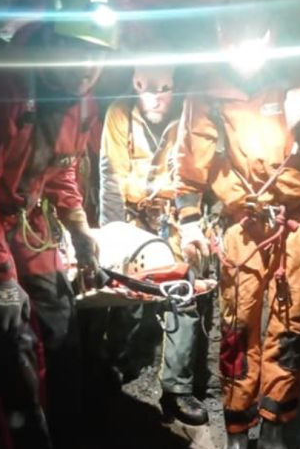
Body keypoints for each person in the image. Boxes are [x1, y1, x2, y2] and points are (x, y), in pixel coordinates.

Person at [0, 0, 117, 449]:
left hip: (24, 224)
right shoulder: (5, 90)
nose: (87, 66)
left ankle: (68, 434)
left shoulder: (81, 102)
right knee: (11, 338)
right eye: (76, 50)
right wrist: (0, 280)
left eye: (97, 54)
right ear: (50, 41)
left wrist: (80, 229)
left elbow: (61, 168)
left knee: (62, 321)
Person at [174, 10, 300, 449]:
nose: (247, 51)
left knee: (290, 328)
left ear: (272, 35)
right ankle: (238, 428)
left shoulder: (298, 78)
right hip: (243, 226)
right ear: (221, 37)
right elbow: (190, 164)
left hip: (297, 225)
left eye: (256, 38)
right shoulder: (209, 92)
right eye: (236, 40)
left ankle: (275, 426)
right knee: (236, 328)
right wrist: (189, 221)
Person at [99, 65, 209, 425]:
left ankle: (176, 390)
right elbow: (111, 175)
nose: (157, 97)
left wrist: (190, 223)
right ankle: (111, 366)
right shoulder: (120, 113)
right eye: (148, 88)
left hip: (171, 219)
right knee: (123, 295)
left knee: (183, 295)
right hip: (131, 220)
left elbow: (190, 173)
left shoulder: (188, 114)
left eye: (165, 88)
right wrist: (111, 236)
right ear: (135, 83)